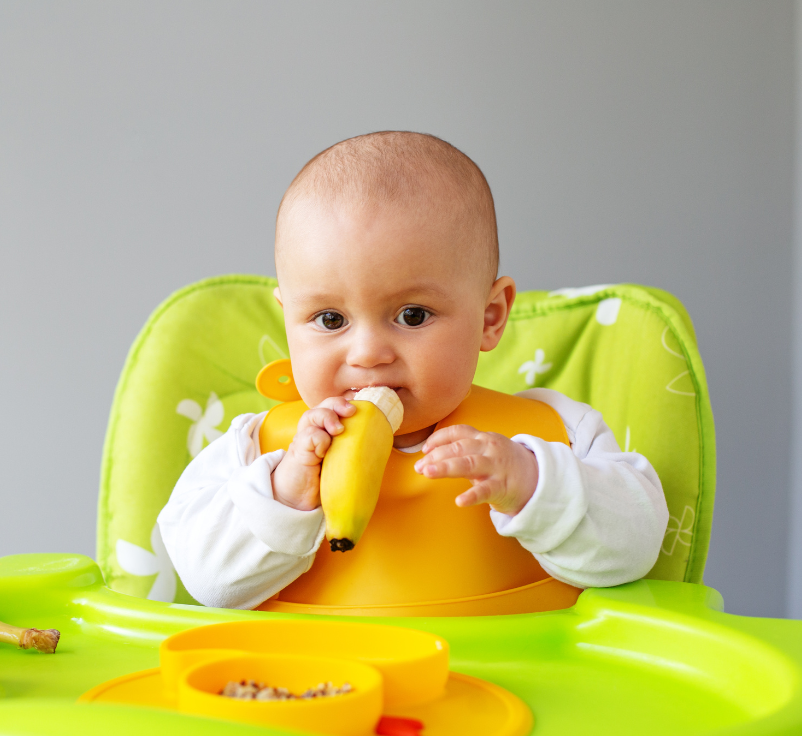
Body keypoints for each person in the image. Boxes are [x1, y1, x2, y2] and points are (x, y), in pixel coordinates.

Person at [159, 131, 669, 613]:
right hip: (315, 689)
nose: (367, 353)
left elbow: (637, 547)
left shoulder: (551, 432)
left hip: (502, 684)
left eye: (412, 315)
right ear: (288, 319)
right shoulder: (256, 451)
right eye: (330, 319)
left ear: (489, 318)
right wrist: (285, 494)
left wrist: (532, 482)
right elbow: (207, 583)